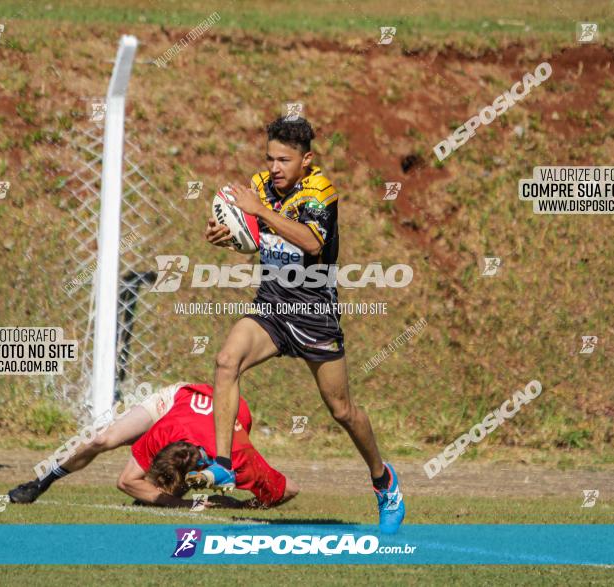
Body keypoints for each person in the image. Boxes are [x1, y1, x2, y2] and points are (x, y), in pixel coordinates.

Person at [201, 116, 404, 532]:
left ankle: (384, 482)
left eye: (284, 160)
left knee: (342, 410)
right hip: (272, 307)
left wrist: (257, 212)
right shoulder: (259, 186)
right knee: (226, 361)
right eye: (270, 158)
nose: (274, 168)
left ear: (306, 160)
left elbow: (312, 242)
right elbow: (253, 238)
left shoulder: (319, 191)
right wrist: (227, 233)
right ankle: (222, 465)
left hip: (314, 315)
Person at [118, 382, 298, 508]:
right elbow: (126, 481)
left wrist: (241, 506)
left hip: (235, 407)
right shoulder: (164, 431)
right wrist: (180, 503)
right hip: (189, 397)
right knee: (106, 440)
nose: (157, 487)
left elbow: (289, 489)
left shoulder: (238, 458)